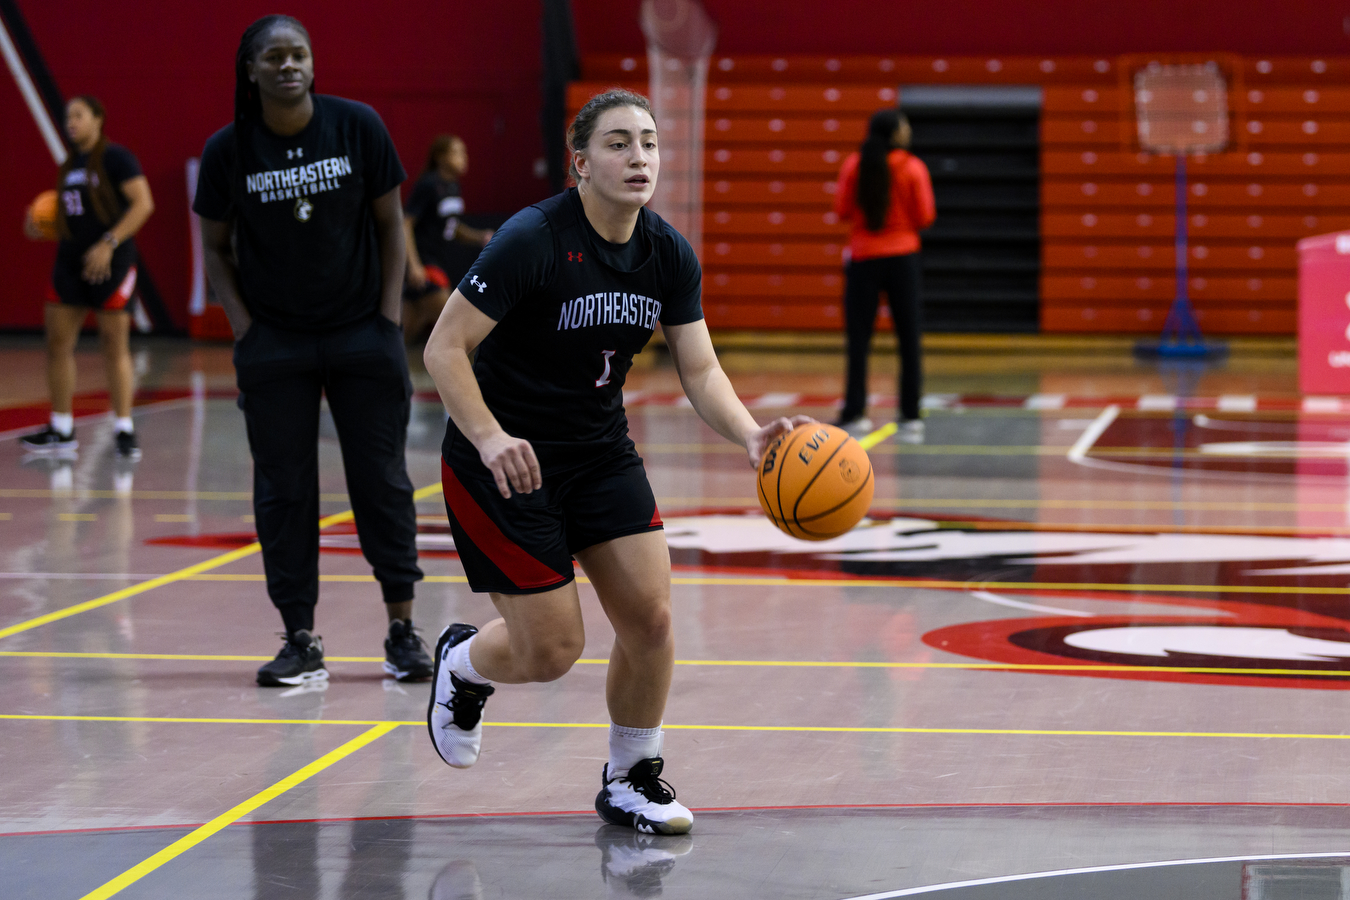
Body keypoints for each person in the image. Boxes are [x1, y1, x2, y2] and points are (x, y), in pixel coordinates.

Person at [423, 88, 809, 835]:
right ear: (580, 164)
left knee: (653, 621)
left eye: (649, 143)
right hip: (506, 460)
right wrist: (491, 437)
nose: (639, 157)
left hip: (599, 453)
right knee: (552, 651)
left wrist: (753, 434)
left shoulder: (665, 252)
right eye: (619, 143)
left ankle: (631, 777)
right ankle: (464, 667)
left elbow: (698, 369)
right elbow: (444, 347)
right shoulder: (533, 239)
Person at [192, 14, 432, 687]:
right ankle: (301, 638)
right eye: (274, 57)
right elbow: (213, 245)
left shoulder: (357, 126)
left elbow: (391, 226)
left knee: (381, 482)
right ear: (251, 69)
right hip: (276, 345)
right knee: (284, 490)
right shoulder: (228, 151)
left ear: (312, 64)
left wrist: (388, 319)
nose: (288, 65)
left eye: (299, 54)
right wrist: (244, 325)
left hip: (362, 333)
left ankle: (402, 630)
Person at [21, 95, 154, 459]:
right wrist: (39, 225)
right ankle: (61, 428)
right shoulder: (68, 166)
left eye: (78, 115)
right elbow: (70, 217)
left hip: (111, 261)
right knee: (57, 344)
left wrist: (109, 243)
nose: (70, 123)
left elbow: (144, 203)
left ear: (98, 118)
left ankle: (124, 428)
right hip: (70, 262)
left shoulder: (117, 158)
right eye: (67, 118)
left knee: (114, 345)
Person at [832, 108, 935, 440]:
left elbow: (842, 210)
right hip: (903, 257)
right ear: (895, 133)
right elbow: (926, 215)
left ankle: (854, 411)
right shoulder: (913, 167)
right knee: (908, 338)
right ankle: (909, 414)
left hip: (863, 258)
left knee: (859, 340)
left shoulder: (854, 164)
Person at [403, 134, 493, 344]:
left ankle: (385, 373)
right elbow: (406, 223)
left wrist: (481, 237)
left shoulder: (454, 187)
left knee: (403, 334)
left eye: (464, 152)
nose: (463, 157)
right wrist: (414, 266)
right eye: (456, 152)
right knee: (458, 329)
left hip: (438, 262)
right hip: (426, 266)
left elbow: (453, 228)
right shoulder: (428, 184)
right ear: (440, 157)